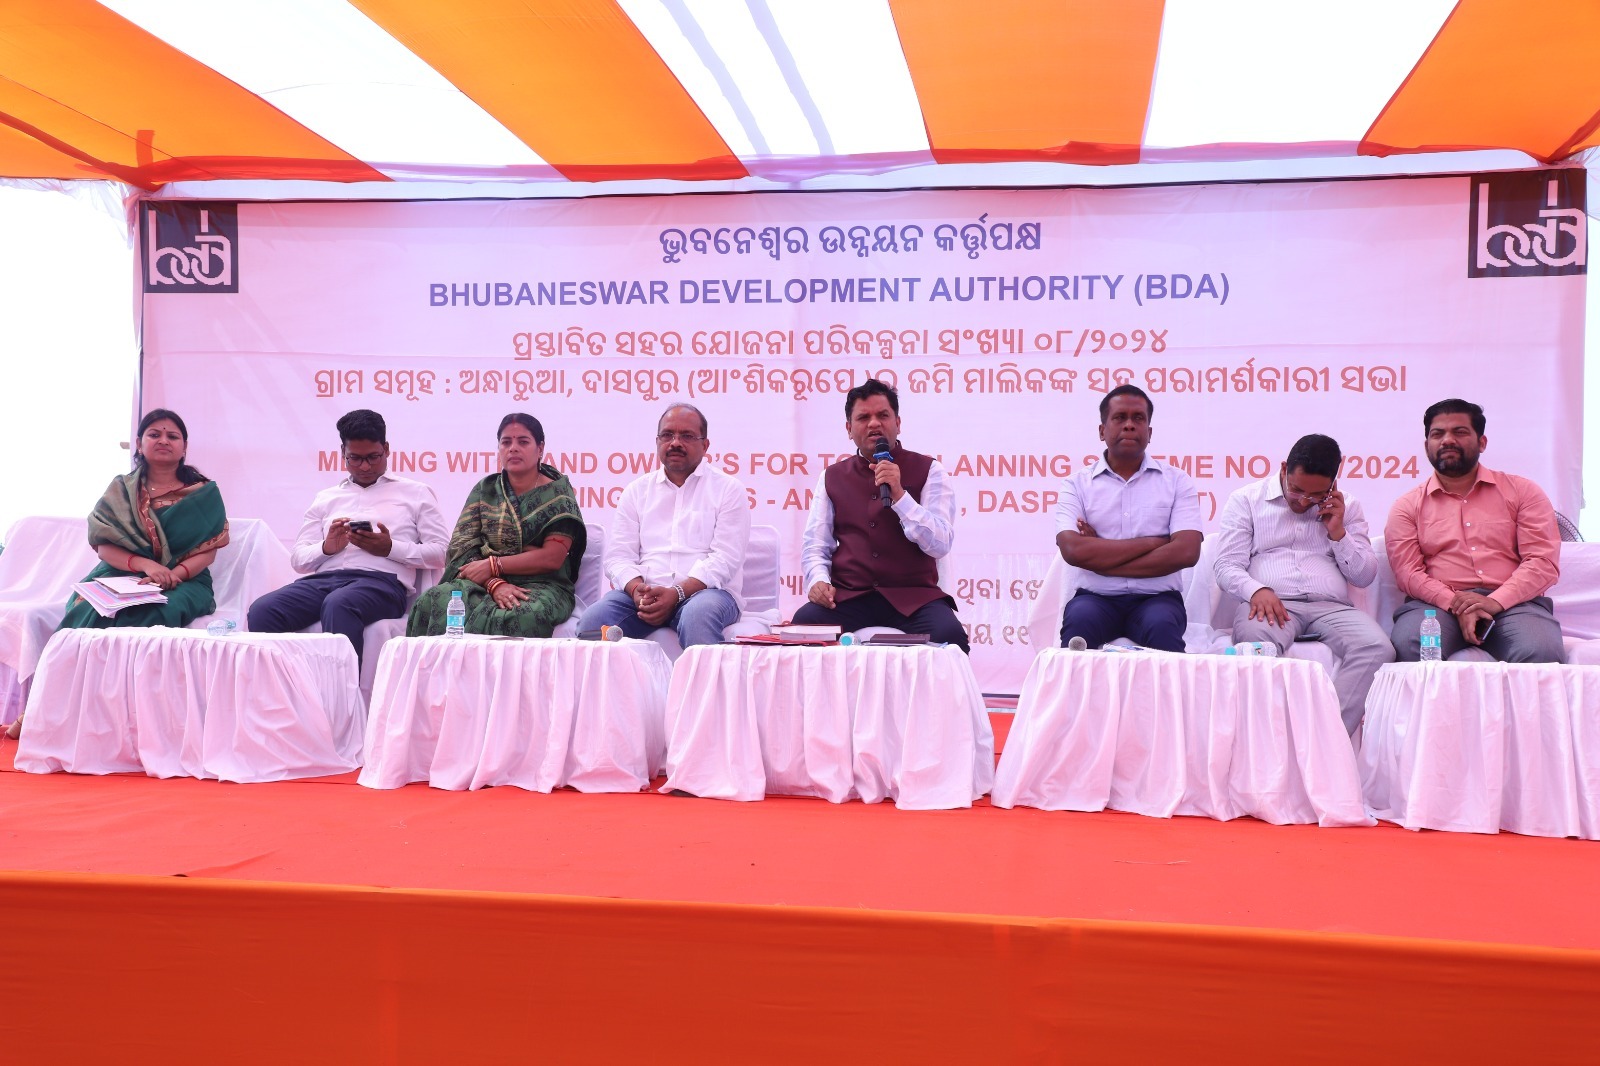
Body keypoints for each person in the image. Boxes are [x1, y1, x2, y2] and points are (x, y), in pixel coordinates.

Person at [8, 409, 231, 739]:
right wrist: (147, 566)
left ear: (184, 447)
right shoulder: (122, 490)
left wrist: (174, 574)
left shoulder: (203, 493)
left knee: (158, 610)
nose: (164, 440)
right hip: (123, 571)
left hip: (183, 580)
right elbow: (104, 547)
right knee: (86, 610)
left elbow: (207, 550)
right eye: (154, 434)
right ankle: (47, 709)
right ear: (139, 444)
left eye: (172, 436)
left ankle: (116, 717)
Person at [1213, 433, 1394, 734]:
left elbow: (1363, 576)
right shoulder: (1246, 500)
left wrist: (1338, 532)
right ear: (1284, 469)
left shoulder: (1347, 507)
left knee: (1377, 647)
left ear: (1333, 485)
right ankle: (1269, 737)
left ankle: (1326, 736)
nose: (1303, 501)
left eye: (1315, 495)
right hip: (1272, 603)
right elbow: (1226, 565)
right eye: (1296, 490)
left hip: (1332, 607)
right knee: (1256, 646)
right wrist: (1257, 590)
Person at [246, 410, 448, 662]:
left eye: (373, 457)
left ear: (386, 449)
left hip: (381, 585)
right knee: (263, 610)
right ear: (343, 452)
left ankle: (342, 686)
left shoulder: (416, 493)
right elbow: (299, 560)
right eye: (355, 458)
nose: (364, 466)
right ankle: (286, 683)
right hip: (323, 581)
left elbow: (442, 552)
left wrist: (389, 548)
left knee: (339, 604)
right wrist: (327, 547)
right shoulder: (326, 497)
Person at [794, 379, 968, 651]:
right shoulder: (832, 476)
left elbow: (940, 544)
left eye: (883, 415)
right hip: (849, 597)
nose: (874, 423)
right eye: (863, 418)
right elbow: (816, 545)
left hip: (914, 598)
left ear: (898, 423)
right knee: (802, 628)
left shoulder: (930, 470)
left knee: (950, 637)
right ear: (849, 429)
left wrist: (899, 495)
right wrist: (818, 581)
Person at [1386, 399, 1563, 663]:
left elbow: (1542, 562)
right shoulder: (1407, 506)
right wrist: (1455, 603)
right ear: (1426, 446)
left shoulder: (1523, 492)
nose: (1447, 440)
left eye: (1459, 432)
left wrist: (1494, 601)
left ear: (1482, 442)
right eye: (1438, 434)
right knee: (1413, 645)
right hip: (1437, 607)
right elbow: (1407, 573)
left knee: (1540, 650)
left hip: (1515, 604)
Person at [577, 403, 750, 646]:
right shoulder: (636, 491)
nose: (675, 443)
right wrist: (636, 589)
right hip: (644, 597)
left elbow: (725, 559)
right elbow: (618, 557)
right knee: (591, 625)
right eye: (667, 435)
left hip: (707, 594)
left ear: (705, 445)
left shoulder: (728, 489)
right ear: (657, 441)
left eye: (687, 436)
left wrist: (677, 593)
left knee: (698, 617)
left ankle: (704, 674)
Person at [407, 413, 586, 638]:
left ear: (540, 448)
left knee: (522, 615)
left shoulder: (558, 495)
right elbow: (461, 551)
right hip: (483, 582)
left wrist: (493, 564)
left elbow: (552, 558)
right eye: (506, 442)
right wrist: (494, 582)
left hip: (542, 584)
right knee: (434, 601)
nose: (513, 448)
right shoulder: (486, 490)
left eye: (523, 442)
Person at [1055, 384, 1201, 651]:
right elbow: (1073, 550)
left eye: (1138, 418)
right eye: (1120, 417)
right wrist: (1156, 542)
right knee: (1079, 620)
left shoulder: (1177, 481)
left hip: (1157, 599)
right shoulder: (1076, 484)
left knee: (1163, 625)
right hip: (1095, 598)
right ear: (1102, 431)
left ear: (1149, 432)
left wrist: (1101, 557)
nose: (1130, 425)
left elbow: (1187, 552)